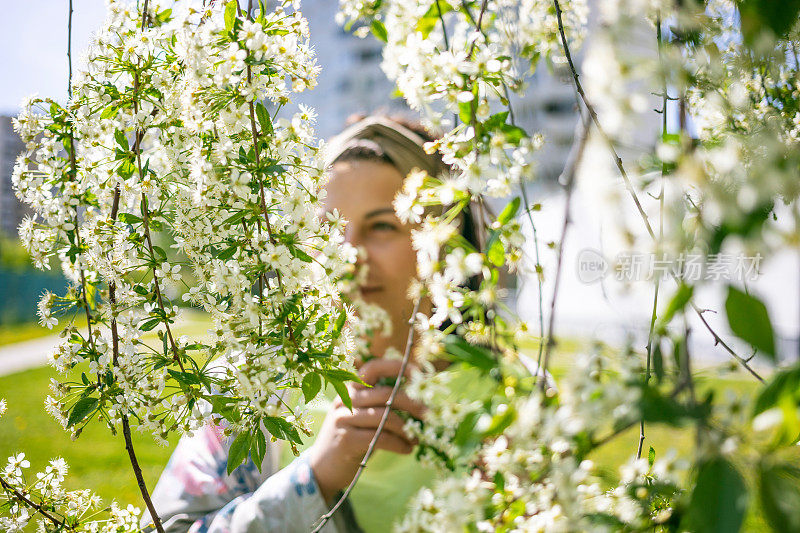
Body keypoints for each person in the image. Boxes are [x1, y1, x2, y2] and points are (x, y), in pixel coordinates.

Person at [143, 115, 485, 533]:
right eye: (327, 228)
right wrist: (315, 480)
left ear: (447, 243)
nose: (348, 254)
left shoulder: (506, 402)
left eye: (381, 226)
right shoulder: (252, 389)